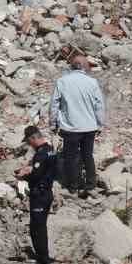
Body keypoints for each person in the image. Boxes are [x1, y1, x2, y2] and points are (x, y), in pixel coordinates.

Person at [49, 53, 105, 194]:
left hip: (70, 128)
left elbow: (54, 104)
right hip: (89, 127)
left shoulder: (62, 81)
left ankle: (73, 186)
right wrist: (100, 124)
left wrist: (53, 123)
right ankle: (90, 184)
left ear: (71, 66)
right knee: (87, 155)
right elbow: (99, 105)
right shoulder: (92, 82)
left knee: (70, 157)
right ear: (84, 67)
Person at [13, 124, 58, 264]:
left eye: (28, 141)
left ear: (33, 138)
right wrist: (30, 170)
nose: (28, 145)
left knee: (36, 228)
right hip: (46, 192)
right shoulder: (50, 149)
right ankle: (44, 258)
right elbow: (43, 170)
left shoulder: (41, 153)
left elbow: (37, 175)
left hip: (40, 193)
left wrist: (23, 176)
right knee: (40, 226)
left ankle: (43, 261)